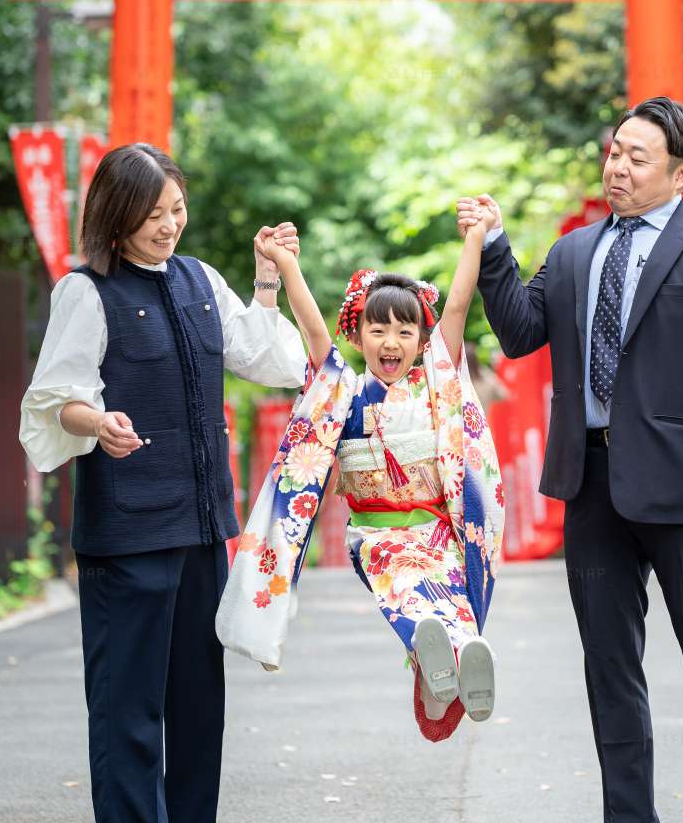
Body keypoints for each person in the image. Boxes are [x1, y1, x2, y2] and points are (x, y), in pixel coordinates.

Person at [458, 96, 683, 823]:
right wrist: (496, 247)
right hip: (590, 486)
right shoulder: (574, 252)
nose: (617, 166)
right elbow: (519, 332)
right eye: (614, 151)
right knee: (610, 672)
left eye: (637, 157)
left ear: (679, 171)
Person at [19, 142, 308, 823]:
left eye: (176, 209)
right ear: (116, 217)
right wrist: (96, 420)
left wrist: (266, 281)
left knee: (199, 713)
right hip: (128, 538)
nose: (169, 224)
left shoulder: (201, 280)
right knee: (129, 717)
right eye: (153, 214)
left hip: (204, 532)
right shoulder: (85, 291)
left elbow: (271, 360)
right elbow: (52, 400)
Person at [215, 203, 505, 742]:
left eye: (403, 331)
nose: (390, 342)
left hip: (439, 532)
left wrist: (476, 239)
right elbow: (309, 324)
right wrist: (284, 263)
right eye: (378, 329)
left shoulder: (436, 384)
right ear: (358, 334)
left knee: (452, 609)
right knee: (411, 598)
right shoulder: (343, 392)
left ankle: (451, 671)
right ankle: (434, 660)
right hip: (381, 537)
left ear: (424, 341)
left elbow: (460, 302)